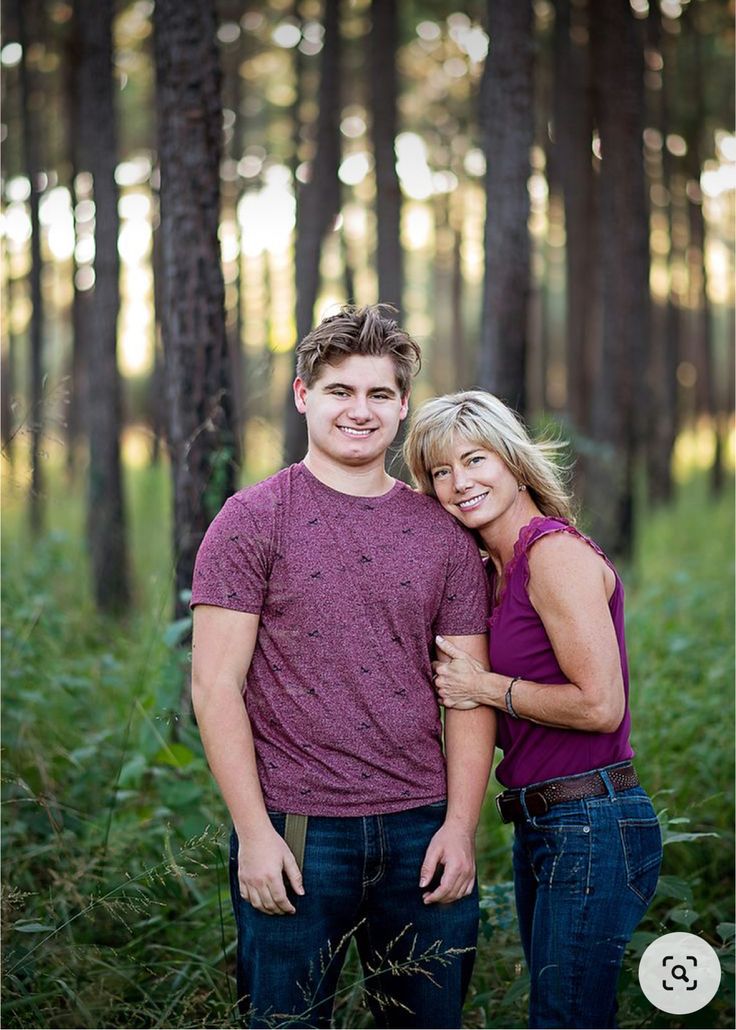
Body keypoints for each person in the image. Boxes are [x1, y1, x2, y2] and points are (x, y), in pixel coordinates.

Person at [190, 307, 496, 1029]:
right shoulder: (251, 519)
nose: (360, 412)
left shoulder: (443, 532)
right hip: (297, 830)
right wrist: (255, 834)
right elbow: (214, 685)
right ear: (303, 394)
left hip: (422, 831)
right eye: (339, 391)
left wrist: (461, 827)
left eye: (379, 395)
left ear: (403, 406)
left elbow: (468, 695)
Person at [404, 390, 663, 1030]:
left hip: (593, 822)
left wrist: (485, 686)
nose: (459, 483)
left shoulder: (553, 555)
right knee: (561, 1012)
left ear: (514, 461)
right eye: (441, 471)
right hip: (545, 824)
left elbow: (601, 706)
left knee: (565, 1016)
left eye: (475, 459)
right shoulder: (494, 569)